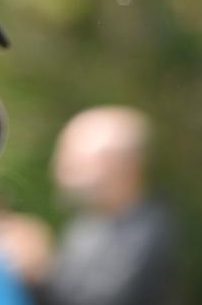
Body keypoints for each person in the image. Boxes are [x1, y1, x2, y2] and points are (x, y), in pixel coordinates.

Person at [29, 106, 177, 305]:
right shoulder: (85, 226)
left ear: (127, 165)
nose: (63, 172)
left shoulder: (150, 232)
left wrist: (41, 270)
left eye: (79, 162)